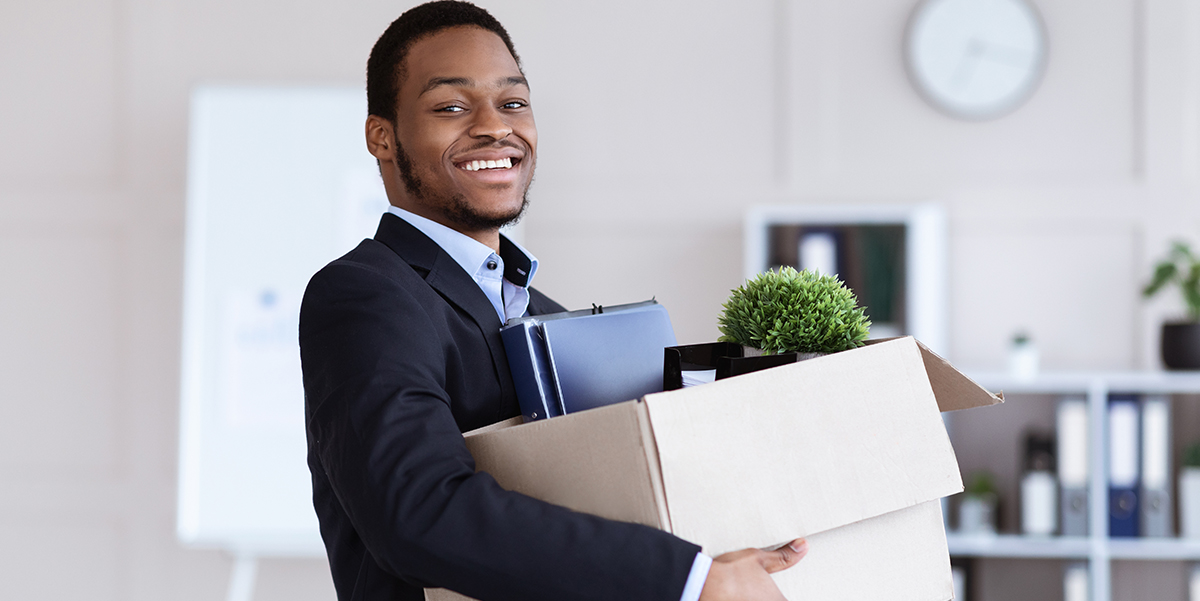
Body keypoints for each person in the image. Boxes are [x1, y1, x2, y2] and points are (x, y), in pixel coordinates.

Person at [299, 2, 808, 600]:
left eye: (513, 103)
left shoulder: (546, 314)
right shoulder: (367, 293)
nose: (495, 126)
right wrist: (689, 579)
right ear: (381, 137)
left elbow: (605, 505)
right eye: (451, 106)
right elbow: (416, 511)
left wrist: (719, 547)